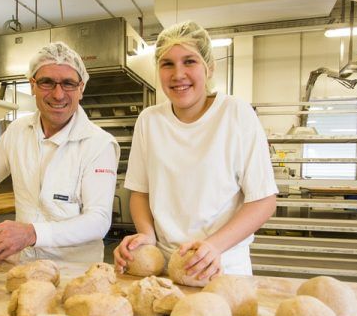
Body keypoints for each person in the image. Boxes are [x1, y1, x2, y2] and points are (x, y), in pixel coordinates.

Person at [0, 41, 120, 263]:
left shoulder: (99, 144)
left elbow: (98, 221)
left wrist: (31, 233)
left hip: (74, 272)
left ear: (81, 88)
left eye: (68, 84)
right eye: (47, 82)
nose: (58, 94)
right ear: (32, 85)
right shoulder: (18, 130)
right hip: (23, 265)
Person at [114, 20, 277, 280]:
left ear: (209, 68)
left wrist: (214, 246)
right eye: (167, 64)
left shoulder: (235, 114)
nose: (178, 74)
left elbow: (263, 200)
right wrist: (146, 234)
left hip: (222, 265)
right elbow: (140, 192)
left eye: (189, 61)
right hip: (165, 266)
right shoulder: (149, 120)